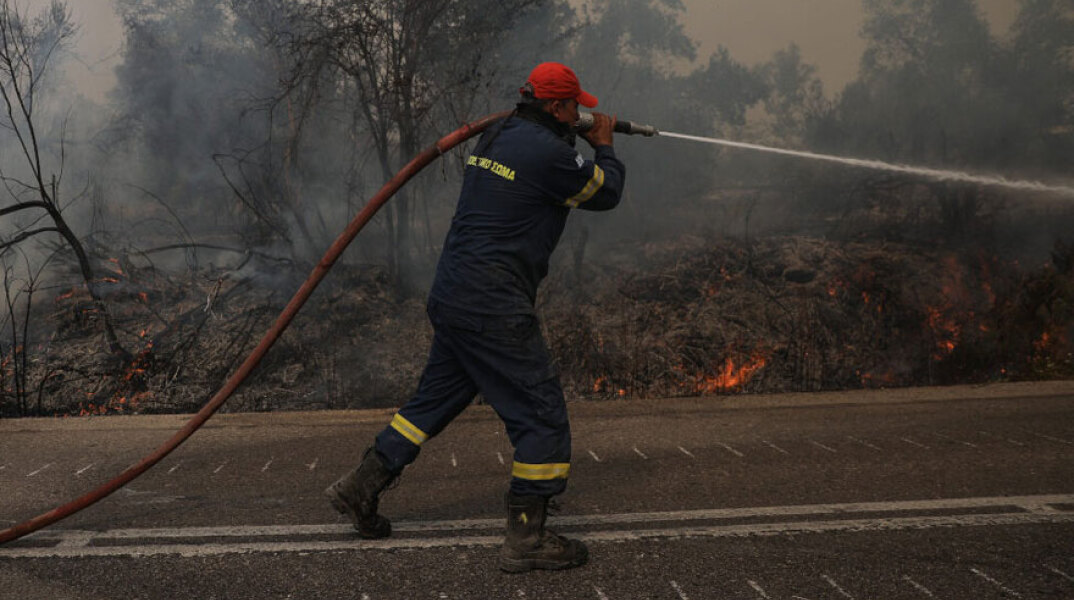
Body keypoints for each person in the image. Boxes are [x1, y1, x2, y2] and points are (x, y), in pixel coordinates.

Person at [325, 61, 625, 573]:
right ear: (556, 107)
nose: (582, 112)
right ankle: (526, 538)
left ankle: (360, 486)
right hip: (494, 304)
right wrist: (603, 143)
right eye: (576, 106)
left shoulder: (498, 135)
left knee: (432, 402)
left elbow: (541, 173)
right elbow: (607, 193)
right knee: (540, 413)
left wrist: (575, 136)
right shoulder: (550, 154)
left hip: (455, 294)